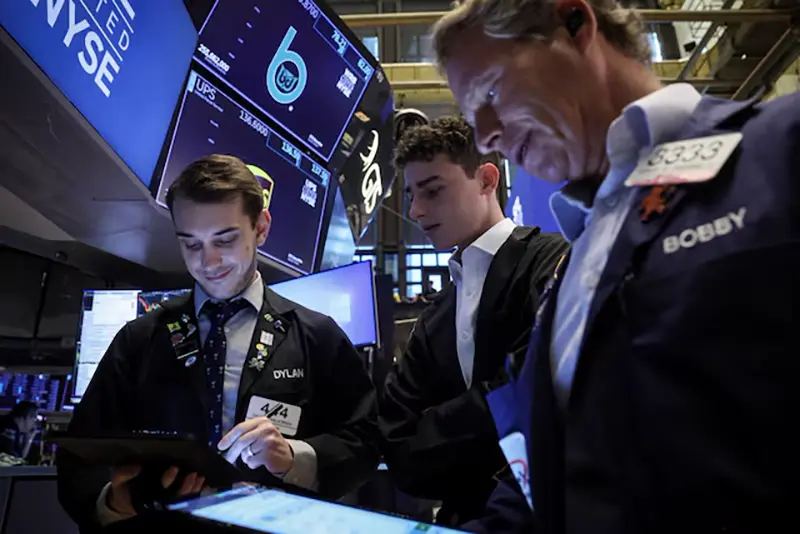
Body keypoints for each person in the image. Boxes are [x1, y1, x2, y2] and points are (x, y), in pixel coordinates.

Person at [431, 0, 800, 532]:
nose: (485, 134)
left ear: (576, 24)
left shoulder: (778, 147)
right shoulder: (573, 262)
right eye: (471, 117)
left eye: (489, 91)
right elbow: (543, 479)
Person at [57, 154, 380, 532]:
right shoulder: (141, 339)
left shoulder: (316, 335)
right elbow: (79, 455)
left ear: (260, 228)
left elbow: (365, 441)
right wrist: (112, 502)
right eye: (191, 244)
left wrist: (294, 456)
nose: (208, 261)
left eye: (225, 240)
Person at [379, 116, 568, 527]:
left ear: (486, 179)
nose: (415, 210)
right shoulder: (436, 314)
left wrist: (440, 427)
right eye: (411, 194)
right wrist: (491, 416)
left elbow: (539, 390)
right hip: (460, 519)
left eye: (432, 191)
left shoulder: (551, 262)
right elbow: (397, 443)